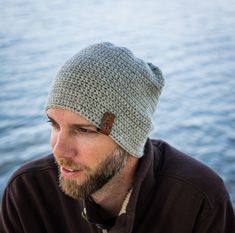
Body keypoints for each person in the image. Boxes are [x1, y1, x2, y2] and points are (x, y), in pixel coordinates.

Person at [0, 42, 234, 233]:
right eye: (55, 125)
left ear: (130, 137)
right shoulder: (27, 193)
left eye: (83, 130)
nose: (59, 151)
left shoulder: (199, 198)